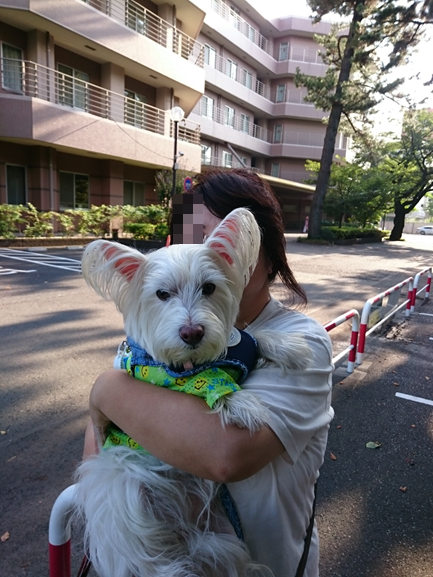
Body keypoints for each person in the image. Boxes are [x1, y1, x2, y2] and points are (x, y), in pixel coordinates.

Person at [84, 168, 334, 577]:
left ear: (264, 247)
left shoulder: (303, 341)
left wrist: (107, 390)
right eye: (196, 235)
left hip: (268, 561)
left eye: (227, 235)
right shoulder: (151, 341)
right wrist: (109, 393)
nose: (215, 249)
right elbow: (100, 446)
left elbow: (226, 455)